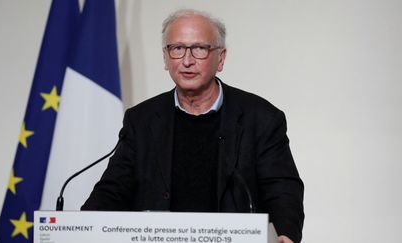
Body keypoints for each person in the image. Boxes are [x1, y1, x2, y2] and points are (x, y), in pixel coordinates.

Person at [82, 9, 304, 243]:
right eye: (177, 48)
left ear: (221, 58)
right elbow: (112, 191)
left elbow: (283, 191)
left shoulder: (261, 118)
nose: (187, 60)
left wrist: (285, 234)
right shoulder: (142, 120)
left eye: (199, 48)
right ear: (166, 58)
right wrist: (81, 229)